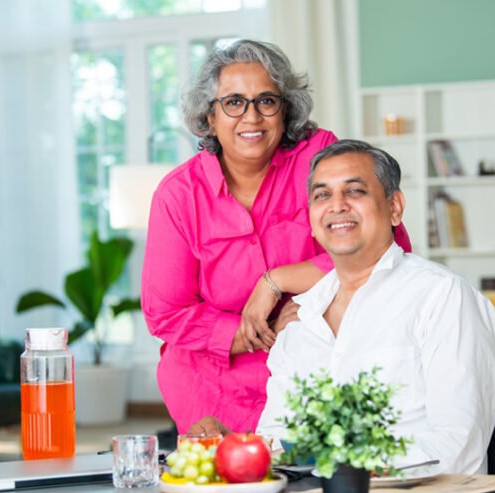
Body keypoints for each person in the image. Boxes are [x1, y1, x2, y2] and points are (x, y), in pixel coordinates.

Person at [157, 142, 495, 493]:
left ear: (395, 208)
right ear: (312, 220)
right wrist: (232, 447)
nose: (336, 206)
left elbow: (455, 447)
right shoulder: (298, 322)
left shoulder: (442, 297)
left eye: (354, 191)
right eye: (321, 195)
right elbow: (279, 442)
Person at [141, 40, 410, 434]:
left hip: (319, 370)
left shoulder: (322, 158)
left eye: (266, 101)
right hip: (211, 386)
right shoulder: (179, 195)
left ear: (285, 111)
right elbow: (166, 312)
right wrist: (256, 333)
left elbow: (387, 244)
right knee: (228, 489)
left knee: (318, 488)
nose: (251, 117)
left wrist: (280, 281)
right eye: (233, 102)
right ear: (210, 117)